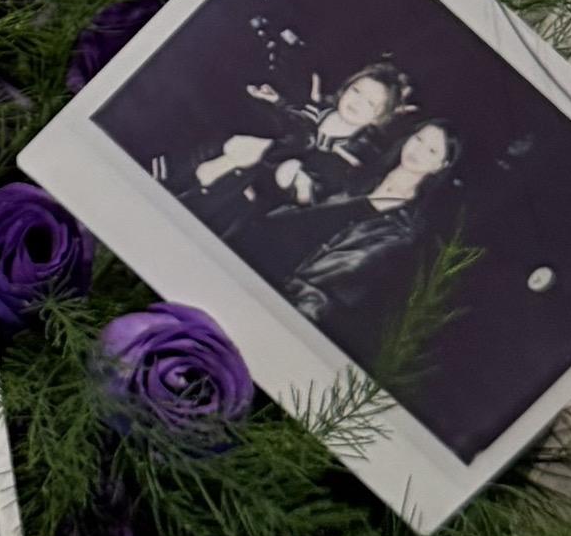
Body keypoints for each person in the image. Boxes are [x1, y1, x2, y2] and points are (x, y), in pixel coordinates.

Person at [163, 54, 411, 247]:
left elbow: (321, 198)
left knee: (243, 196)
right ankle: (173, 178)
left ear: (378, 117)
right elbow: (293, 116)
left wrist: (301, 188)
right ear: (345, 88)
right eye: (356, 91)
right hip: (252, 166)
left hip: (272, 197)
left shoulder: (356, 155)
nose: (357, 102)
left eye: (370, 103)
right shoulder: (317, 111)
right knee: (232, 149)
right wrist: (275, 100)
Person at [270, 117, 464, 330]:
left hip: (292, 294)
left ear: (441, 166)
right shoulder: (360, 173)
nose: (418, 150)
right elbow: (308, 206)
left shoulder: (402, 229)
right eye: (419, 139)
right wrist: (299, 186)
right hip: (271, 246)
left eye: (432, 151)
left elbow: (341, 277)